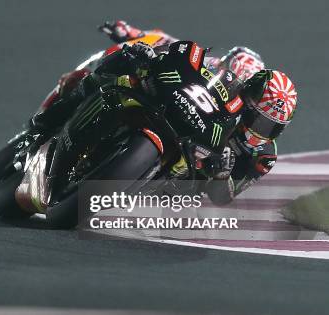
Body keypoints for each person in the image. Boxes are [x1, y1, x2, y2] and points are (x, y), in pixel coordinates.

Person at [26, 21, 298, 205]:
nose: (258, 127)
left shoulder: (263, 156)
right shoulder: (220, 74)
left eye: (269, 126)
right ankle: (44, 122)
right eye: (258, 118)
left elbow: (222, 198)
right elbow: (173, 45)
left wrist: (221, 175)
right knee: (112, 71)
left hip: (181, 180)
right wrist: (136, 38)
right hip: (178, 106)